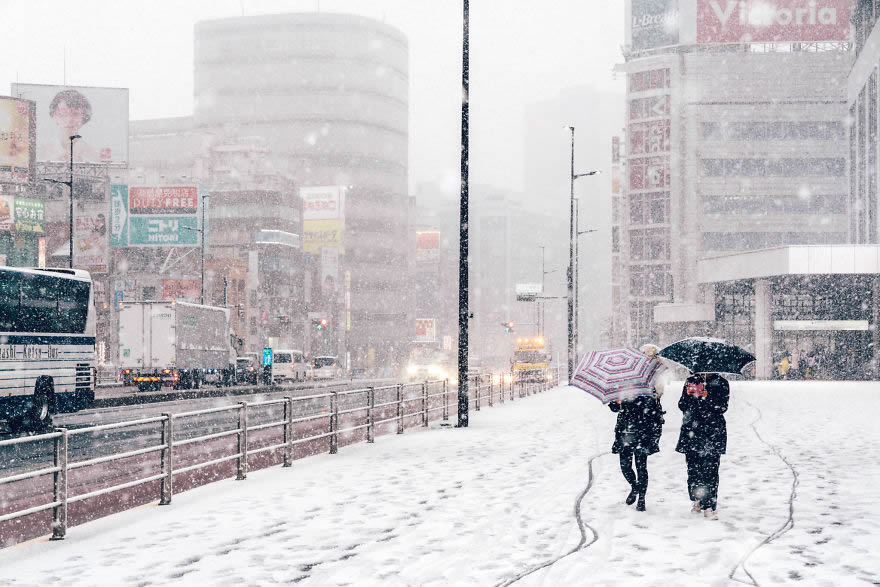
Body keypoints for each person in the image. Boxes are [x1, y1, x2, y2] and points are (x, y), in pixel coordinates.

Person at [676, 373, 729, 520]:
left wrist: (707, 397)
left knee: (711, 471)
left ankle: (709, 506)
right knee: (693, 469)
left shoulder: (721, 382)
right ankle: (697, 499)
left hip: (713, 432)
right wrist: (691, 396)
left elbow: (723, 407)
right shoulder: (690, 380)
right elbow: (682, 405)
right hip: (692, 431)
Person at [609, 390, 664, 512]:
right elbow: (613, 407)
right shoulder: (621, 387)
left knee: (641, 467)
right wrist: (617, 403)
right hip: (624, 432)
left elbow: (654, 409)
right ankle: (635, 487)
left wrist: (643, 402)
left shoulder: (647, 387)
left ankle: (642, 499)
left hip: (642, 432)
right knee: (625, 466)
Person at [45, 89, 100, 162]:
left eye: (75, 114)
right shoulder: (42, 152)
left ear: (84, 117)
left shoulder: (93, 154)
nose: (69, 119)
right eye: (63, 113)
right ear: (54, 115)